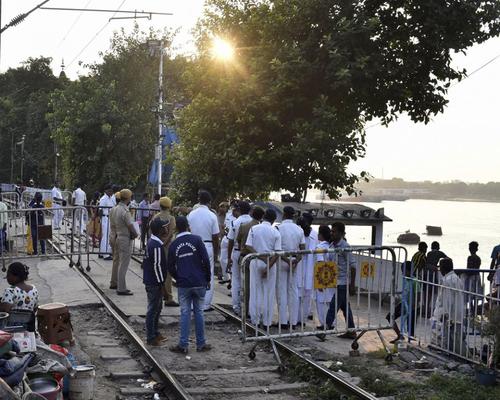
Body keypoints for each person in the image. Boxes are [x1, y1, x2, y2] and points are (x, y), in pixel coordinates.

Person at [168, 216, 212, 354]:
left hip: (184, 283)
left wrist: (178, 278)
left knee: (185, 313)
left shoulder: (174, 245)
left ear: (176, 228)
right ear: (188, 226)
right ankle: (201, 343)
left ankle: (183, 344)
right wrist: (207, 278)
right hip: (199, 282)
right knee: (199, 312)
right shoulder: (197, 240)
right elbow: (206, 260)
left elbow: (170, 267)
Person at [245, 209, 281, 328]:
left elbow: (248, 245)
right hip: (270, 263)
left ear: (263, 217)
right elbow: (277, 252)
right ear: (274, 220)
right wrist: (268, 264)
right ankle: (267, 322)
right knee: (269, 293)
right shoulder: (275, 232)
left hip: (255, 261)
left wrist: (259, 256)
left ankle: (255, 320)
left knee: (255, 291)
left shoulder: (254, 229)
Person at [187, 190, 220, 312]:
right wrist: (216, 253)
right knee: (208, 274)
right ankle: (205, 304)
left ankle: (192, 303)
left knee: (193, 272)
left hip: (193, 245)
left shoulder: (191, 214)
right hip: (207, 245)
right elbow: (215, 236)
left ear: (198, 200)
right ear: (209, 202)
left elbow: (187, 231)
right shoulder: (212, 216)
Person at [325, 222, 356, 338]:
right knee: (345, 307)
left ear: (341, 233)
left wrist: (352, 285)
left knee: (333, 306)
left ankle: (325, 329)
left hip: (343, 282)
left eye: (334, 231)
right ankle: (352, 330)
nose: (332, 233)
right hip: (335, 281)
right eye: (331, 231)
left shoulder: (345, 247)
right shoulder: (332, 246)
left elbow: (353, 266)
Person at [276, 206, 305, 329]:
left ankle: (282, 321)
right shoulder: (299, 230)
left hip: (282, 260)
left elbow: (276, 249)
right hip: (294, 260)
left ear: (283, 214)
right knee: (293, 291)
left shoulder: (278, 228)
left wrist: (287, 261)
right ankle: (293, 321)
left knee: (281, 290)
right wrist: (296, 261)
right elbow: (303, 248)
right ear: (293, 215)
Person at [143, 218, 170, 346]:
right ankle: (151, 336)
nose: (167, 229)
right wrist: (162, 286)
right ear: (160, 230)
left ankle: (155, 332)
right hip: (155, 283)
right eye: (165, 227)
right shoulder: (157, 246)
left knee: (157, 308)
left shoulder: (152, 242)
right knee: (153, 309)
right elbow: (157, 267)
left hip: (151, 281)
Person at [432, 257, 466, 356]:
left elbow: (447, 299)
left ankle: (450, 354)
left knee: (449, 338)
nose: (440, 270)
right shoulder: (456, 278)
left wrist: (445, 314)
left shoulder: (447, 280)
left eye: (440, 267)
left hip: (449, 314)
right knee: (456, 337)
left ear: (444, 267)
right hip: (457, 312)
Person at [150, 196, 178, 307]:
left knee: (157, 269)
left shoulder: (156, 217)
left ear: (160, 206)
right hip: (167, 247)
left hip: (157, 245)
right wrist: (164, 243)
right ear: (169, 206)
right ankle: (169, 297)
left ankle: (158, 294)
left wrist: (159, 243)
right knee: (167, 273)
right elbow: (171, 233)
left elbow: (151, 230)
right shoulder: (171, 218)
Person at [109, 189, 138, 295]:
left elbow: (112, 224)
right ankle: (121, 288)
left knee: (116, 261)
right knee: (123, 263)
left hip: (116, 236)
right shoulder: (125, 211)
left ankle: (114, 282)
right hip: (125, 238)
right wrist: (135, 234)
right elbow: (130, 225)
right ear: (128, 198)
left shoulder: (114, 209)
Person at [238, 206, 265, 317]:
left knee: (245, 285)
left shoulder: (243, 226)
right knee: (258, 286)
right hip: (257, 258)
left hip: (245, 256)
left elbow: (238, 240)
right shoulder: (260, 228)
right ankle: (256, 311)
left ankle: (245, 310)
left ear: (251, 214)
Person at [227, 200, 252, 315]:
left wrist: (229, 258)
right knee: (249, 281)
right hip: (251, 253)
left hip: (237, 252)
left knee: (236, 279)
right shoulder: (253, 222)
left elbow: (230, 241)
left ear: (239, 210)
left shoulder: (235, 222)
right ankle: (249, 308)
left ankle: (236, 306)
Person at [386, 261, 418, 343]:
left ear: (408, 270)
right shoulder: (406, 279)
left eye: (403, 270)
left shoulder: (415, 281)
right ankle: (400, 335)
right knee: (390, 317)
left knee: (410, 326)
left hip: (412, 306)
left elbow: (418, 294)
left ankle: (409, 343)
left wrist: (413, 306)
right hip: (403, 303)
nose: (402, 272)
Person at [296, 214, 318, 325]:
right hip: (299, 265)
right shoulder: (298, 232)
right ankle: (296, 318)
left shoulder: (314, 234)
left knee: (307, 295)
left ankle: (302, 319)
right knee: (297, 294)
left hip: (309, 267)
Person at [315, 225, 334, 329]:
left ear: (321, 235)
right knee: (330, 301)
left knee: (321, 301)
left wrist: (320, 282)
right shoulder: (331, 246)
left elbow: (320, 262)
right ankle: (331, 323)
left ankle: (323, 324)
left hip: (322, 276)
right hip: (332, 276)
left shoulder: (320, 247)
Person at [219, 201, 240, 284]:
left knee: (231, 260)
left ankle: (231, 281)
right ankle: (226, 277)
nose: (231, 208)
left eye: (233, 207)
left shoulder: (239, 217)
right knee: (221, 259)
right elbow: (225, 225)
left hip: (233, 240)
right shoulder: (228, 214)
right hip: (226, 237)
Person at [464, 241, 482, 313]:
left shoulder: (470, 257)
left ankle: (472, 309)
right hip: (477, 276)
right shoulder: (478, 258)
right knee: (476, 293)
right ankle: (475, 309)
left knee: (470, 292)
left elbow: (469, 268)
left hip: (471, 277)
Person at [98, 185, 116, 259]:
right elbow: (100, 210)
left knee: (107, 236)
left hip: (110, 218)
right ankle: (105, 254)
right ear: (105, 191)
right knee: (105, 236)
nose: (111, 192)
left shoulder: (111, 198)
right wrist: (101, 220)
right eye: (109, 191)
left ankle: (103, 252)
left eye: (111, 191)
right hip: (105, 218)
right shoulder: (104, 199)